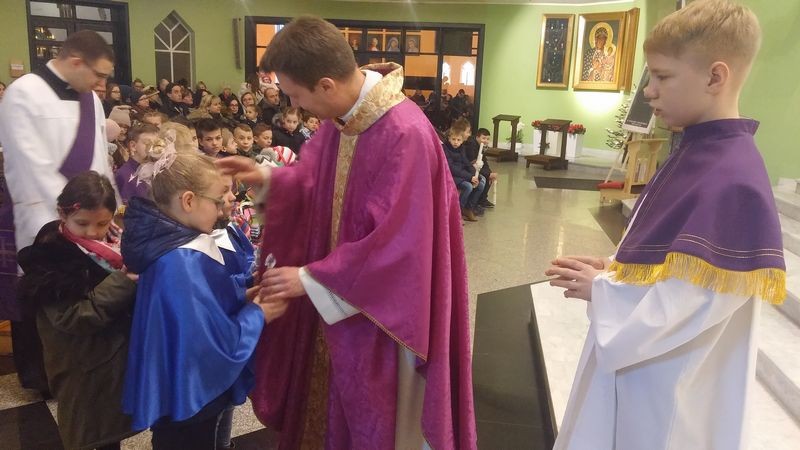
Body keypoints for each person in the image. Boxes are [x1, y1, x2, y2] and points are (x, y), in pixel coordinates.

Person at [217, 15, 476, 450]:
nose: (295, 106)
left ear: (325, 85)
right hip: (339, 306)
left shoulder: (404, 134)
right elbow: (316, 182)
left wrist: (310, 278)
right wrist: (268, 178)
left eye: (296, 95)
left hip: (381, 318)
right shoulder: (345, 120)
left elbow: (401, 248)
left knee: (377, 422)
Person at [546, 2, 785, 449]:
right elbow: (669, 255)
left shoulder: (734, 180)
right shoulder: (698, 151)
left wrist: (603, 289)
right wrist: (615, 266)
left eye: (662, 76)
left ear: (715, 78)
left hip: (669, 390)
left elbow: (692, 303)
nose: (649, 92)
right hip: (648, 375)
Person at [120, 149, 282, 450]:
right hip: (191, 392)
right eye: (218, 201)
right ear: (189, 201)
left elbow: (203, 304)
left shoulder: (177, 243)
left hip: (180, 381)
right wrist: (259, 313)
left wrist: (243, 293)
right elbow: (208, 346)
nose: (222, 211)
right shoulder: (180, 261)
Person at [0, 30, 117, 392]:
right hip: (45, 213)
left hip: (87, 214)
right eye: (98, 75)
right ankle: (39, 376)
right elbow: (27, 162)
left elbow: (100, 156)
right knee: (45, 289)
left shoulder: (90, 99)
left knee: (82, 290)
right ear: (76, 62)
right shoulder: (23, 92)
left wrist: (107, 206)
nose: (102, 84)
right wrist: (67, 217)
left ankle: (78, 364)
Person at [17, 171, 138, 450]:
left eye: (102, 223)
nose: (93, 232)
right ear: (63, 213)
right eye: (82, 223)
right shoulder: (51, 261)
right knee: (91, 431)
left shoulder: (112, 244)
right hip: (82, 365)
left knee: (109, 431)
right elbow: (73, 317)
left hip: (108, 361)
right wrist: (122, 283)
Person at [443, 124, 485, 222]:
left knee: (481, 184)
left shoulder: (461, 148)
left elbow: (466, 163)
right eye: (453, 139)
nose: (456, 142)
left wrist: (475, 175)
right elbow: (451, 168)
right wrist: (470, 177)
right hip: (451, 175)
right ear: (449, 139)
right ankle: (457, 212)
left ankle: (468, 208)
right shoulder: (445, 148)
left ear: (462, 141)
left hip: (461, 175)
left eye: (458, 140)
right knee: (468, 186)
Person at [115, 124, 159, 204]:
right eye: (147, 143)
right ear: (133, 146)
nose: (153, 148)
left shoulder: (161, 172)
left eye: (157, 144)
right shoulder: (123, 175)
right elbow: (122, 208)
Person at [463, 126, 496, 208]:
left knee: (489, 176)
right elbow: (473, 163)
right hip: (469, 168)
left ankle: (482, 199)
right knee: (484, 179)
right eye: (483, 138)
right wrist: (488, 174)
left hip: (475, 167)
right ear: (477, 137)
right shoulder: (471, 146)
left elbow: (484, 161)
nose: (486, 141)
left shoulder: (481, 145)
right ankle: (474, 203)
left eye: (487, 139)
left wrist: (490, 172)